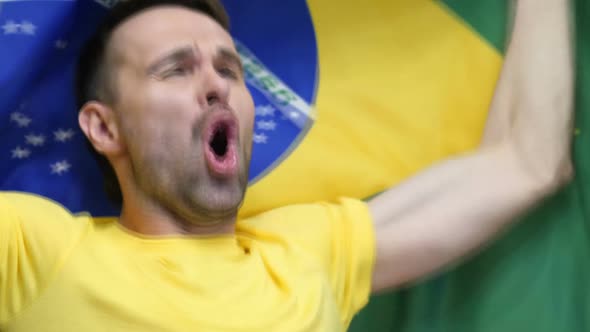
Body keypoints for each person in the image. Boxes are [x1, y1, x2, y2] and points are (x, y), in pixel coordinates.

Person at [0, 0, 574, 331]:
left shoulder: (307, 254)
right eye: (176, 70)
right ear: (104, 127)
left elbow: (527, 161)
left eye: (230, 70)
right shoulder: (35, 249)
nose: (216, 86)